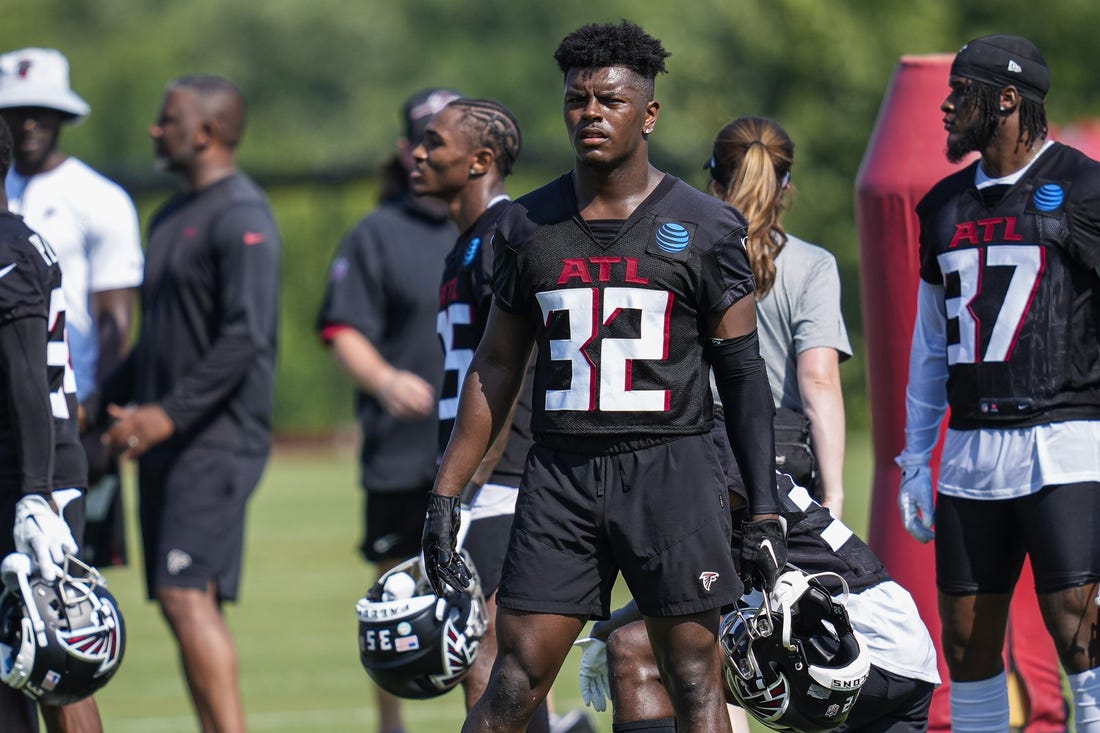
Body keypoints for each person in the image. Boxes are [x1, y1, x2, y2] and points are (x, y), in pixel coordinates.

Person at [421, 21, 784, 733]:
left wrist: (764, 505)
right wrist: (445, 492)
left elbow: (742, 375)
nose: (590, 113)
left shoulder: (705, 226)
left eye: (609, 100)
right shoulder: (526, 226)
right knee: (513, 679)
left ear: (648, 113)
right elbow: (495, 366)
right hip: (560, 474)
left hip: (671, 469)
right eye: (577, 100)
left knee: (692, 680)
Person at [896, 34, 1100, 732]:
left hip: (1067, 437)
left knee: (1080, 626)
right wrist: (913, 459)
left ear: (1007, 99)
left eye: (963, 92)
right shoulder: (945, 206)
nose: (948, 106)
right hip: (972, 445)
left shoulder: (1083, 186)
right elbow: (930, 346)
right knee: (965, 636)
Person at [98, 75, 280, 733]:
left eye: (166, 117)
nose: (154, 128)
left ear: (204, 131)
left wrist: (164, 414)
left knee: (183, 592)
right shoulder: (171, 214)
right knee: (184, 597)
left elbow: (245, 338)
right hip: (167, 438)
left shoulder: (244, 216)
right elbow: (158, 341)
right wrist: (102, 402)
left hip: (216, 437)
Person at [577, 471, 940, 732]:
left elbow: (688, 584)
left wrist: (607, 629)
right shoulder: (728, 453)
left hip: (854, 650)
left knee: (638, 649)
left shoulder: (709, 461)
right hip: (907, 652)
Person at [316, 86, 459, 733]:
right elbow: (341, 326)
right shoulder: (378, 231)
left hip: (482, 459)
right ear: (406, 150)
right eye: (425, 136)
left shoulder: (499, 226)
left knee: (481, 606)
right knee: (390, 607)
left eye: (448, 134)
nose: (434, 148)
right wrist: (384, 378)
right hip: (401, 454)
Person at [409, 96, 555, 731]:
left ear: (481, 161)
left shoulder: (504, 234)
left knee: (492, 656)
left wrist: (469, 485)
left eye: (434, 143)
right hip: (477, 479)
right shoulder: (462, 244)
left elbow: (513, 368)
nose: (417, 153)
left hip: (504, 478)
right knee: (499, 661)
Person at [0, 47, 143, 569]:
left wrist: (98, 412)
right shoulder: (3, 187)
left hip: (66, 406)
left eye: (42, 109)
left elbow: (115, 321)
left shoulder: (99, 197)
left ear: (63, 116)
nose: (30, 122)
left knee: (69, 576)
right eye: (16, 111)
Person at [0, 117, 103, 733]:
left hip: (27, 475)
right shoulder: (19, 237)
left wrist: (34, 496)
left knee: (51, 657)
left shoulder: (5, 250)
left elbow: (25, 381)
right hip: (31, 467)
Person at [704, 116, 851, 518]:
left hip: (698, 448)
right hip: (779, 452)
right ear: (785, 185)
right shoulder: (813, 266)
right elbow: (818, 380)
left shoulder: (688, 257)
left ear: (715, 183)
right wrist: (833, 495)